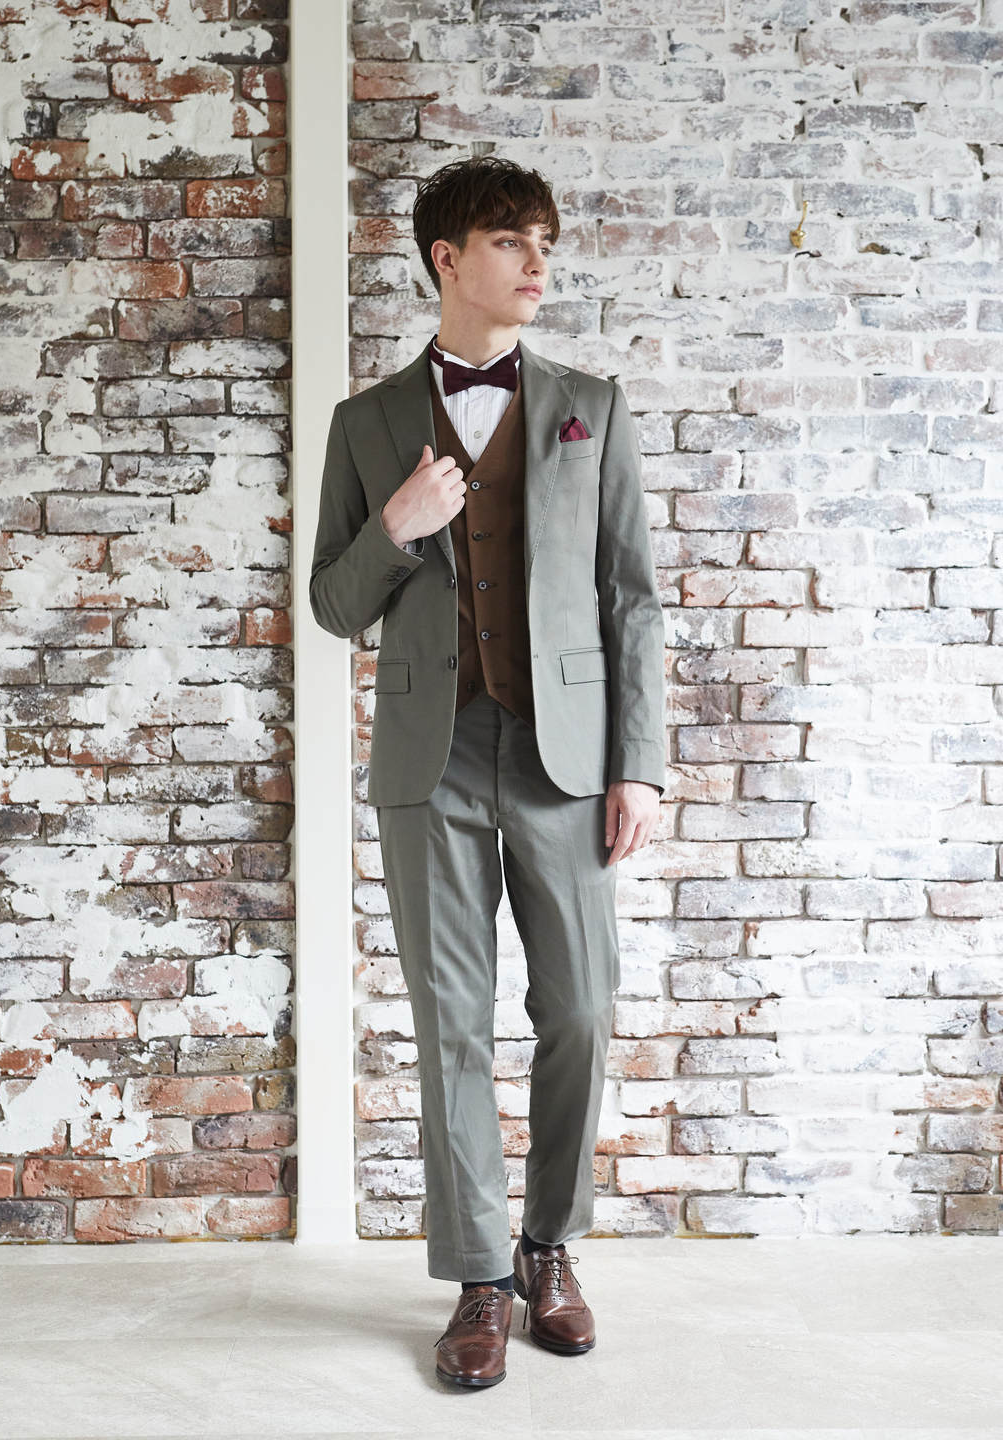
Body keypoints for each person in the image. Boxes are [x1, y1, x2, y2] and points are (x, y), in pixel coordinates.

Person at [309, 155, 665, 1388]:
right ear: (447, 260)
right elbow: (334, 605)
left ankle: (549, 1247)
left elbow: (631, 598)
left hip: (566, 757)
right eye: (512, 242)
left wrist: (640, 765)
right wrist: (395, 529)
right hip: (435, 755)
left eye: (544, 243)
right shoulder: (365, 425)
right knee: (451, 1022)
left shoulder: (590, 407)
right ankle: (478, 1280)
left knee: (580, 1009)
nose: (536, 263)